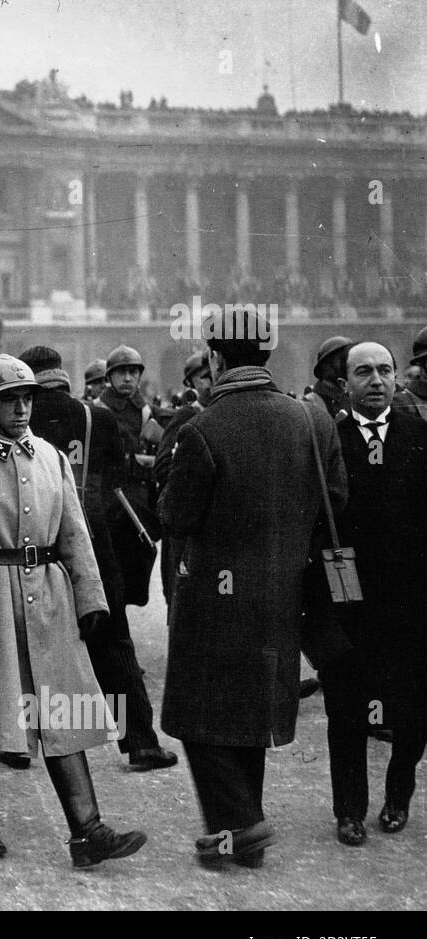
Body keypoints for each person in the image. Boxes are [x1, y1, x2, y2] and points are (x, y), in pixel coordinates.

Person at [0, 354, 147, 867]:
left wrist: (91, 599)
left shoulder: (49, 456)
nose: (21, 409)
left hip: (46, 597)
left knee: (59, 708)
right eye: (8, 400)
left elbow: (74, 534)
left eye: (27, 398)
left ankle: (88, 831)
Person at [160, 309, 345, 868]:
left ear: (216, 359)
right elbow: (335, 499)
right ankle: (237, 838)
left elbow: (174, 516)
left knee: (197, 717)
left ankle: (241, 824)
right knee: (247, 716)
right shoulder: (309, 420)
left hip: (214, 598)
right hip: (282, 594)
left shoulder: (202, 428)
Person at [20, 346, 178, 773]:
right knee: (114, 645)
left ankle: (20, 743)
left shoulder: (15, 419)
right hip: (91, 543)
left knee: (30, 645)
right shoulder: (98, 419)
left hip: (31, 548)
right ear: (62, 377)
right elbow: (114, 484)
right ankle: (140, 743)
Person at [324, 342, 427, 844]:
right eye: (363, 372)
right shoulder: (330, 442)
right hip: (351, 600)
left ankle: (398, 794)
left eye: (385, 370)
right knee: (347, 708)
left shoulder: (419, 435)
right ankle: (349, 809)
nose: (376, 380)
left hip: (412, 603)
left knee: (413, 707)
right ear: (345, 384)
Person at [97, 345, 161, 607]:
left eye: (133, 372)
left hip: (139, 501)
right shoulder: (98, 409)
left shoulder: (146, 411)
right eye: (121, 372)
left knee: (137, 566)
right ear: (109, 377)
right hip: (109, 503)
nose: (127, 378)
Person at [153, 349, 212, 607]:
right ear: (192, 384)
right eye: (204, 378)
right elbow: (163, 466)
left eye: (213, 375)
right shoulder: (187, 415)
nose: (211, 382)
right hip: (187, 528)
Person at [308, 336, 352, 422]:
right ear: (326, 366)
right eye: (342, 360)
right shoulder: (311, 403)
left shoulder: (353, 398)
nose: (347, 365)